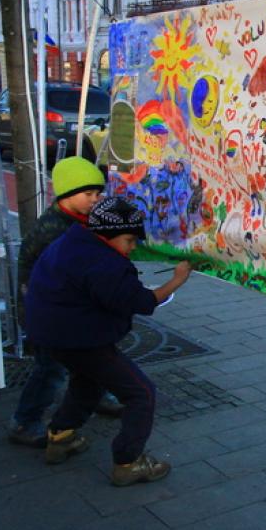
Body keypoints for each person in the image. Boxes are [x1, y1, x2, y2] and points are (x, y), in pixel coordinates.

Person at [23, 197, 192, 486]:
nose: (133, 246)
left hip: (50, 332)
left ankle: (60, 437)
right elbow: (140, 301)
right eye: (128, 240)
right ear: (107, 235)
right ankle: (128, 461)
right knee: (141, 394)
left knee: (87, 383)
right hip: (80, 338)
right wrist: (177, 280)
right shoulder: (104, 263)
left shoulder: (74, 240)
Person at [7, 157, 123, 448]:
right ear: (66, 194)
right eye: (88, 195)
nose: (95, 201)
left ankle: (95, 396)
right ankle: (25, 421)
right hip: (46, 313)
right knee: (51, 368)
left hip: (69, 308)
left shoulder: (79, 221)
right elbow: (71, 275)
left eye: (98, 195)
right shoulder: (54, 231)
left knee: (93, 355)